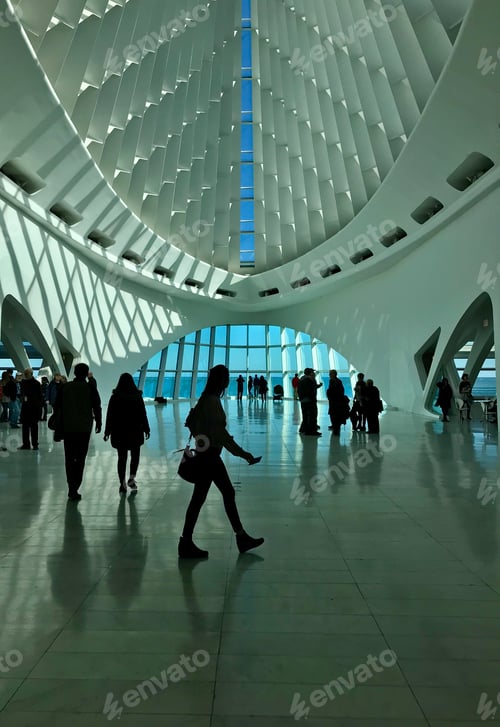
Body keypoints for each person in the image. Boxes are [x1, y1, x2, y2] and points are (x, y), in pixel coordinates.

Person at [179, 364, 264, 558]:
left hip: (205, 455)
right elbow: (222, 436)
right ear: (222, 381)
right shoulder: (212, 402)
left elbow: (192, 424)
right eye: (226, 378)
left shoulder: (204, 399)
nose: (228, 381)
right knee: (223, 493)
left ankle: (187, 541)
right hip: (210, 457)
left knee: (202, 498)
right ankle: (240, 537)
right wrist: (244, 454)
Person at [54, 363, 102, 500]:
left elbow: (56, 405)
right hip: (84, 428)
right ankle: (75, 486)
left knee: (69, 457)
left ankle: (71, 487)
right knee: (80, 458)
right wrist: (99, 422)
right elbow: (97, 406)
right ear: (86, 373)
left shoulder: (65, 387)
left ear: (74, 373)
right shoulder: (90, 388)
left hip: (68, 428)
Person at [104, 373, 150, 494]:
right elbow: (142, 414)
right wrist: (146, 428)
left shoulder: (115, 397)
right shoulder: (137, 396)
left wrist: (107, 431)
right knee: (135, 457)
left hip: (120, 431)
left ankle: (122, 483)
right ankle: (132, 478)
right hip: (135, 431)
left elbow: (110, 415)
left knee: (122, 458)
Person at [19, 369, 43, 450]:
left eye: (27, 373)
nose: (25, 375)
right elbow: (22, 394)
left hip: (34, 408)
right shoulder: (23, 383)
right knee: (25, 427)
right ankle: (26, 444)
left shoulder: (36, 383)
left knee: (33, 427)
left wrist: (39, 409)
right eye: (25, 373)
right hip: (25, 408)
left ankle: (35, 444)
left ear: (31, 374)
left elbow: (39, 397)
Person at [298, 368, 322, 436]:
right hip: (309, 401)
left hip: (304, 400)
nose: (314, 373)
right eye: (312, 372)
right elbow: (309, 390)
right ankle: (311, 431)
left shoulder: (302, 379)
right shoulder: (308, 380)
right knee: (311, 416)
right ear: (310, 373)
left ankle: (305, 430)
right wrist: (312, 399)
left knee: (305, 416)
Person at [326, 369, 346, 435]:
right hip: (334, 400)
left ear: (334, 374)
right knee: (333, 413)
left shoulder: (335, 381)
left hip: (335, 401)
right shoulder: (335, 381)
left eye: (331, 374)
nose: (329, 375)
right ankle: (334, 425)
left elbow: (338, 391)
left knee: (334, 413)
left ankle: (335, 425)